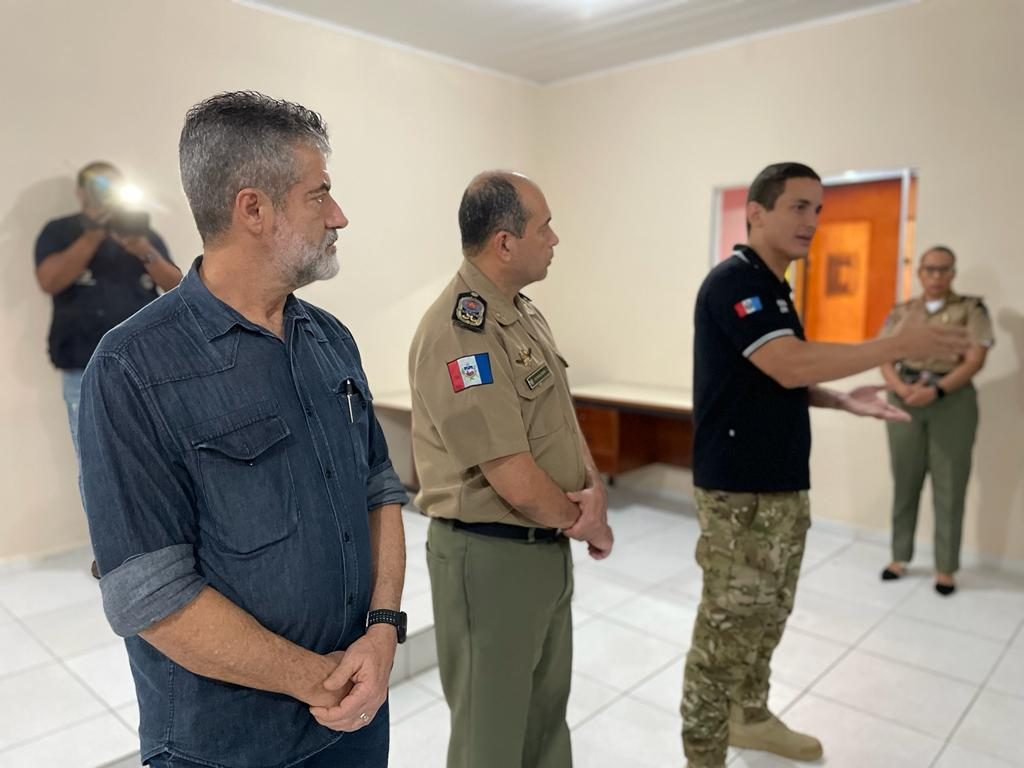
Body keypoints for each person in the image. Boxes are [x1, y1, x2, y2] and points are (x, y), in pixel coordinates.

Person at [78, 91, 408, 768]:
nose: (339, 215)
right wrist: (316, 679)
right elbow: (150, 593)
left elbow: (378, 488)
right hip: (228, 745)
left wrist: (382, 630)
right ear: (253, 209)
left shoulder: (330, 339)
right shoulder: (131, 368)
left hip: (355, 715)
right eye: (320, 194)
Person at [681, 162, 969, 768]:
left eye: (818, 209)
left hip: (782, 483)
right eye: (798, 207)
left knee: (769, 614)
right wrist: (898, 344)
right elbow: (788, 364)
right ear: (755, 212)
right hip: (740, 490)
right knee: (727, 630)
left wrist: (840, 399)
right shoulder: (734, 284)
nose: (812, 221)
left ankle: (750, 717)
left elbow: (769, 378)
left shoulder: (775, 287)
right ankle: (704, 755)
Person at [409, 171, 613, 768]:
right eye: (544, 227)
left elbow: (559, 422)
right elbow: (511, 473)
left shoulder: (520, 314)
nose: (555, 238)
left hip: (541, 544)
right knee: (490, 738)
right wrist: (586, 521)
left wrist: (593, 488)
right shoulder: (460, 331)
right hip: (490, 558)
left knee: (545, 721)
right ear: (505, 242)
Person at [34, 161, 181, 461]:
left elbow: (177, 288)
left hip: (145, 363)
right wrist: (92, 236)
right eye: (97, 185)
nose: (105, 192)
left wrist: (141, 248)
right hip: (83, 363)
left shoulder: (139, 231)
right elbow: (50, 280)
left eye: (111, 186)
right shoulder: (60, 231)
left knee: (154, 459)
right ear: (80, 192)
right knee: (96, 462)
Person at [878, 246, 993, 595]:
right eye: (930, 269)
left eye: (944, 270)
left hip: (951, 401)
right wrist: (900, 387)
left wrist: (938, 391)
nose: (936, 276)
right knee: (905, 479)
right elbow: (883, 354)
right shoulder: (903, 311)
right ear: (920, 273)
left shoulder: (971, 310)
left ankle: (945, 567)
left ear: (953, 273)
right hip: (905, 396)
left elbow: (975, 358)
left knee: (950, 483)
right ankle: (899, 556)